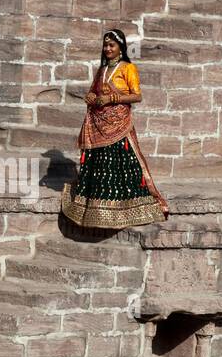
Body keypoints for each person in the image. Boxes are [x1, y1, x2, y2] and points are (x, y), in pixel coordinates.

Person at [61, 28, 169, 230]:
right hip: (100, 124)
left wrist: (112, 98)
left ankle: (128, 209)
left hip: (119, 124)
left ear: (121, 47)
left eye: (111, 45)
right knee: (100, 164)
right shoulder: (102, 70)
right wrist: (91, 97)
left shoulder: (128, 68)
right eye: (105, 45)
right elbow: (93, 91)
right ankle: (95, 209)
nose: (107, 49)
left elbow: (137, 96)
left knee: (122, 165)